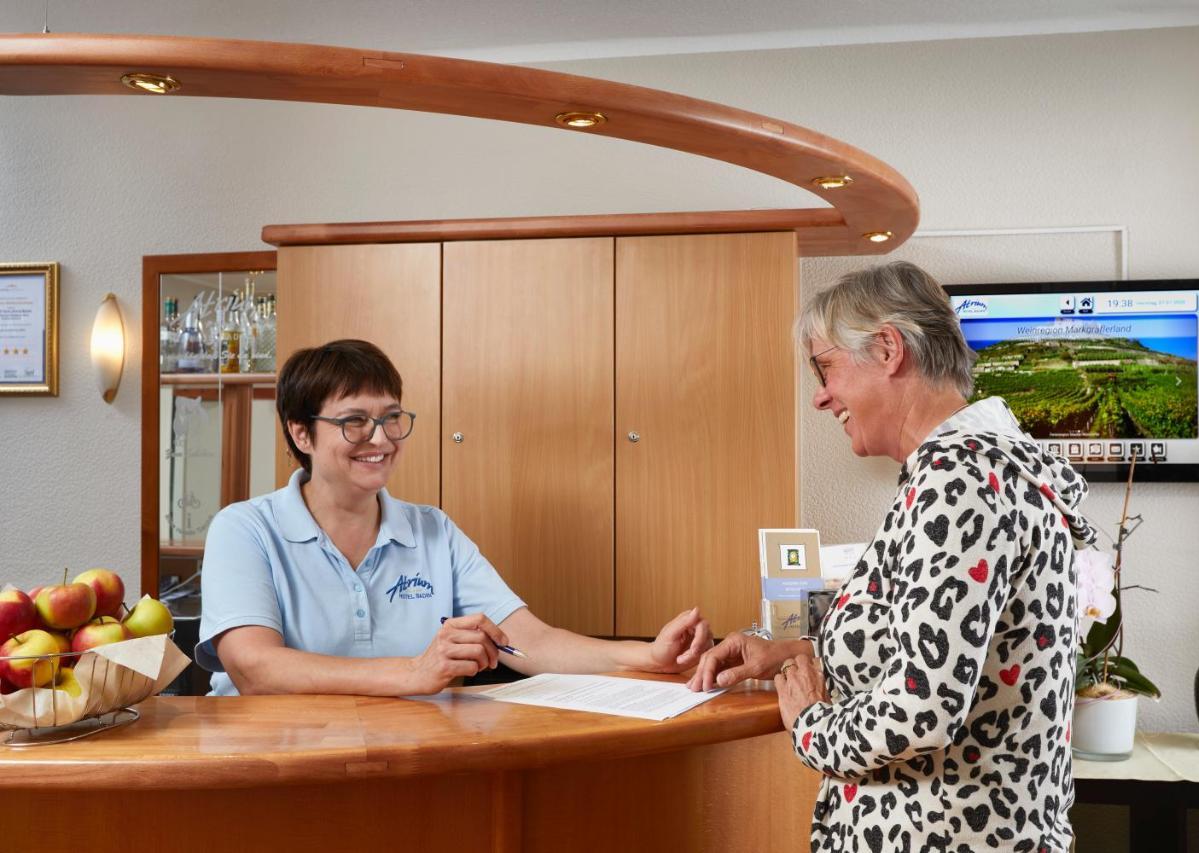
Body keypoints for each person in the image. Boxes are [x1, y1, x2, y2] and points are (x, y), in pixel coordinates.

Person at [689, 262, 1095, 852]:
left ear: (887, 349)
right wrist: (797, 649)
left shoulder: (961, 479)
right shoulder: (977, 469)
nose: (821, 397)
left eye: (825, 367)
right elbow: (929, 646)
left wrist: (810, 725)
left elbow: (920, 708)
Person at [196, 339, 712, 697]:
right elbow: (255, 667)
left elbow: (529, 641)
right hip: (272, 766)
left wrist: (646, 658)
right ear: (301, 434)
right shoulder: (245, 530)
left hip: (409, 760)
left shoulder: (432, 531)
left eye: (391, 418)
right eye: (354, 421)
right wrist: (416, 671)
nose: (380, 439)